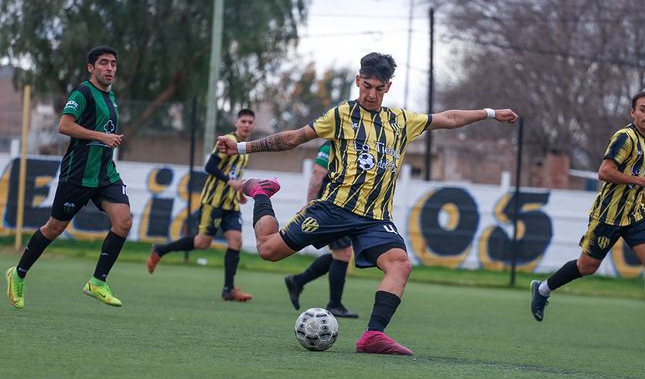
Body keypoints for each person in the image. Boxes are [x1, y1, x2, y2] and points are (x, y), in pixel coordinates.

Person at [216, 52, 518, 355]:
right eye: (367, 86)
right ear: (358, 81)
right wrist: (241, 147)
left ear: (388, 87)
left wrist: (490, 113)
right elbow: (294, 137)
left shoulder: (401, 121)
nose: (371, 94)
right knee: (269, 250)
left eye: (379, 88)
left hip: (374, 218)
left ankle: (373, 335)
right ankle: (261, 192)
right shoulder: (340, 115)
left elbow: (448, 118)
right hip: (333, 208)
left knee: (400, 265)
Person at [529, 91, 645, 343]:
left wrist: (639, 192)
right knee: (587, 267)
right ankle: (543, 289)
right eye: (643, 109)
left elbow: (632, 175)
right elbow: (604, 172)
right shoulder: (625, 137)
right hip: (608, 215)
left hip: (634, 213)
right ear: (633, 112)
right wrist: (639, 182)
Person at [6, 45, 132, 308]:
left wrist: (106, 140)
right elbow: (64, 125)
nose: (109, 68)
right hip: (77, 174)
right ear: (91, 67)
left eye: (113, 63)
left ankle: (97, 282)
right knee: (54, 228)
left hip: (105, 174)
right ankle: (18, 273)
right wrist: (101, 137)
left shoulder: (111, 97)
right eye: (103, 63)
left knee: (123, 222)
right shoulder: (82, 93)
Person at [146, 109, 256, 302]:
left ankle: (228, 290)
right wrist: (230, 182)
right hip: (213, 202)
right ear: (236, 122)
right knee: (201, 243)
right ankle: (160, 250)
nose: (247, 125)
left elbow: (233, 174)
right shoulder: (228, 141)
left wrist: (238, 192)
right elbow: (209, 167)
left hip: (231, 204)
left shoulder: (243, 149)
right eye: (243, 121)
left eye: (250, 122)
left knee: (236, 241)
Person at [284, 140, 359, 318]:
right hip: (329, 209)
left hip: (339, 208)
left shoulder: (348, 145)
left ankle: (298, 281)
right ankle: (334, 305)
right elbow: (317, 174)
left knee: (342, 254)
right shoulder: (330, 145)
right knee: (343, 254)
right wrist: (310, 203)